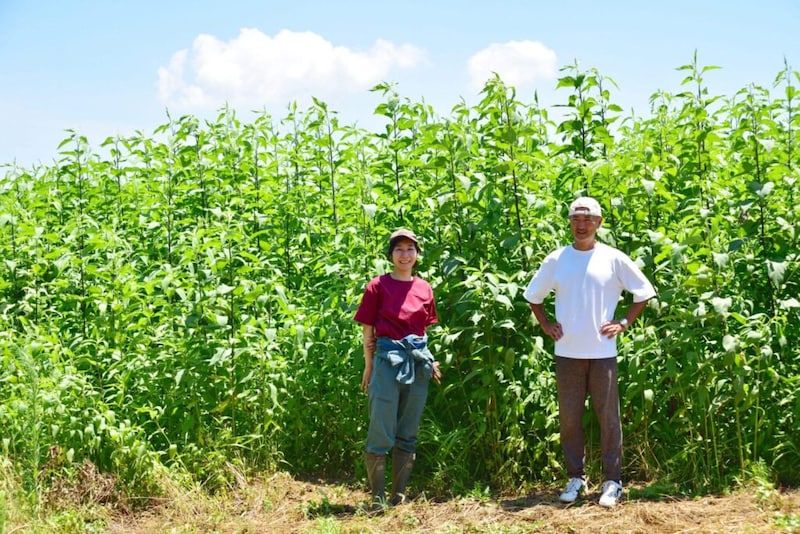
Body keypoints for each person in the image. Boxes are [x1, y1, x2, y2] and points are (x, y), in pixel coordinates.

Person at [523, 197, 656, 508]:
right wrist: (545, 324)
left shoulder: (613, 258)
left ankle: (613, 481)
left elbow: (644, 292)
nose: (581, 224)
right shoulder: (557, 259)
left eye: (587, 218)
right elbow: (534, 296)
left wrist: (623, 322)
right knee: (570, 419)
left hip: (602, 353)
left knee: (608, 418)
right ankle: (576, 478)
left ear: (599, 222)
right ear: (569, 222)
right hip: (567, 353)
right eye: (575, 218)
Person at [354, 228, 442, 510]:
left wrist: (430, 360)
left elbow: (423, 331)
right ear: (391, 255)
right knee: (381, 428)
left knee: (408, 430)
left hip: (417, 366)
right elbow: (368, 330)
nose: (405, 255)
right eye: (399, 249)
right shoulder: (377, 286)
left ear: (417, 254)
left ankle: (399, 496)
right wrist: (369, 366)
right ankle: (378, 499)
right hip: (386, 362)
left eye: (410, 249)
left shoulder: (424, 288)